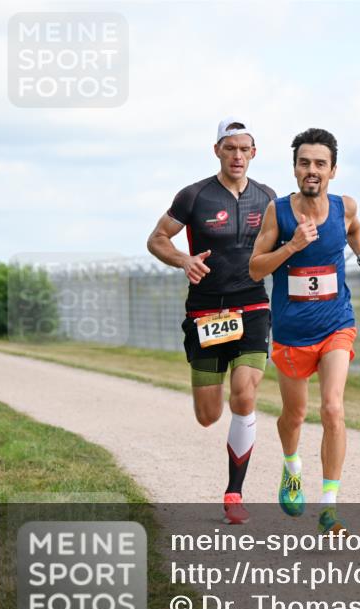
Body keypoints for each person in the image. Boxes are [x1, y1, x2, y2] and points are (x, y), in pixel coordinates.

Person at [249, 127, 360, 534]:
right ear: (294, 169)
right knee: (294, 415)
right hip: (291, 334)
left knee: (333, 408)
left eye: (320, 164)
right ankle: (292, 467)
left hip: (336, 325)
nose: (312, 170)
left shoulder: (345, 208)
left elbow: (356, 230)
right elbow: (255, 268)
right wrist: (291, 246)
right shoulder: (279, 212)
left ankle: (330, 505)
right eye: (305, 162)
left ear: (333, 170)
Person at [146, 117, 276, 525]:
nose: (237, 156)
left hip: (253, 306)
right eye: (229, 148)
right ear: (217, 151)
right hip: (205, 311)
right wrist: (184, 260)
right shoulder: (194, 196)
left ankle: (234, 492)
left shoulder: (269, 198)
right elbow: (157, 239)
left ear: (254, 153)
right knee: (208, 415)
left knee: (244, 394)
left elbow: (283, 246)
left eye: (244, 148)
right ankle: (213, 401)